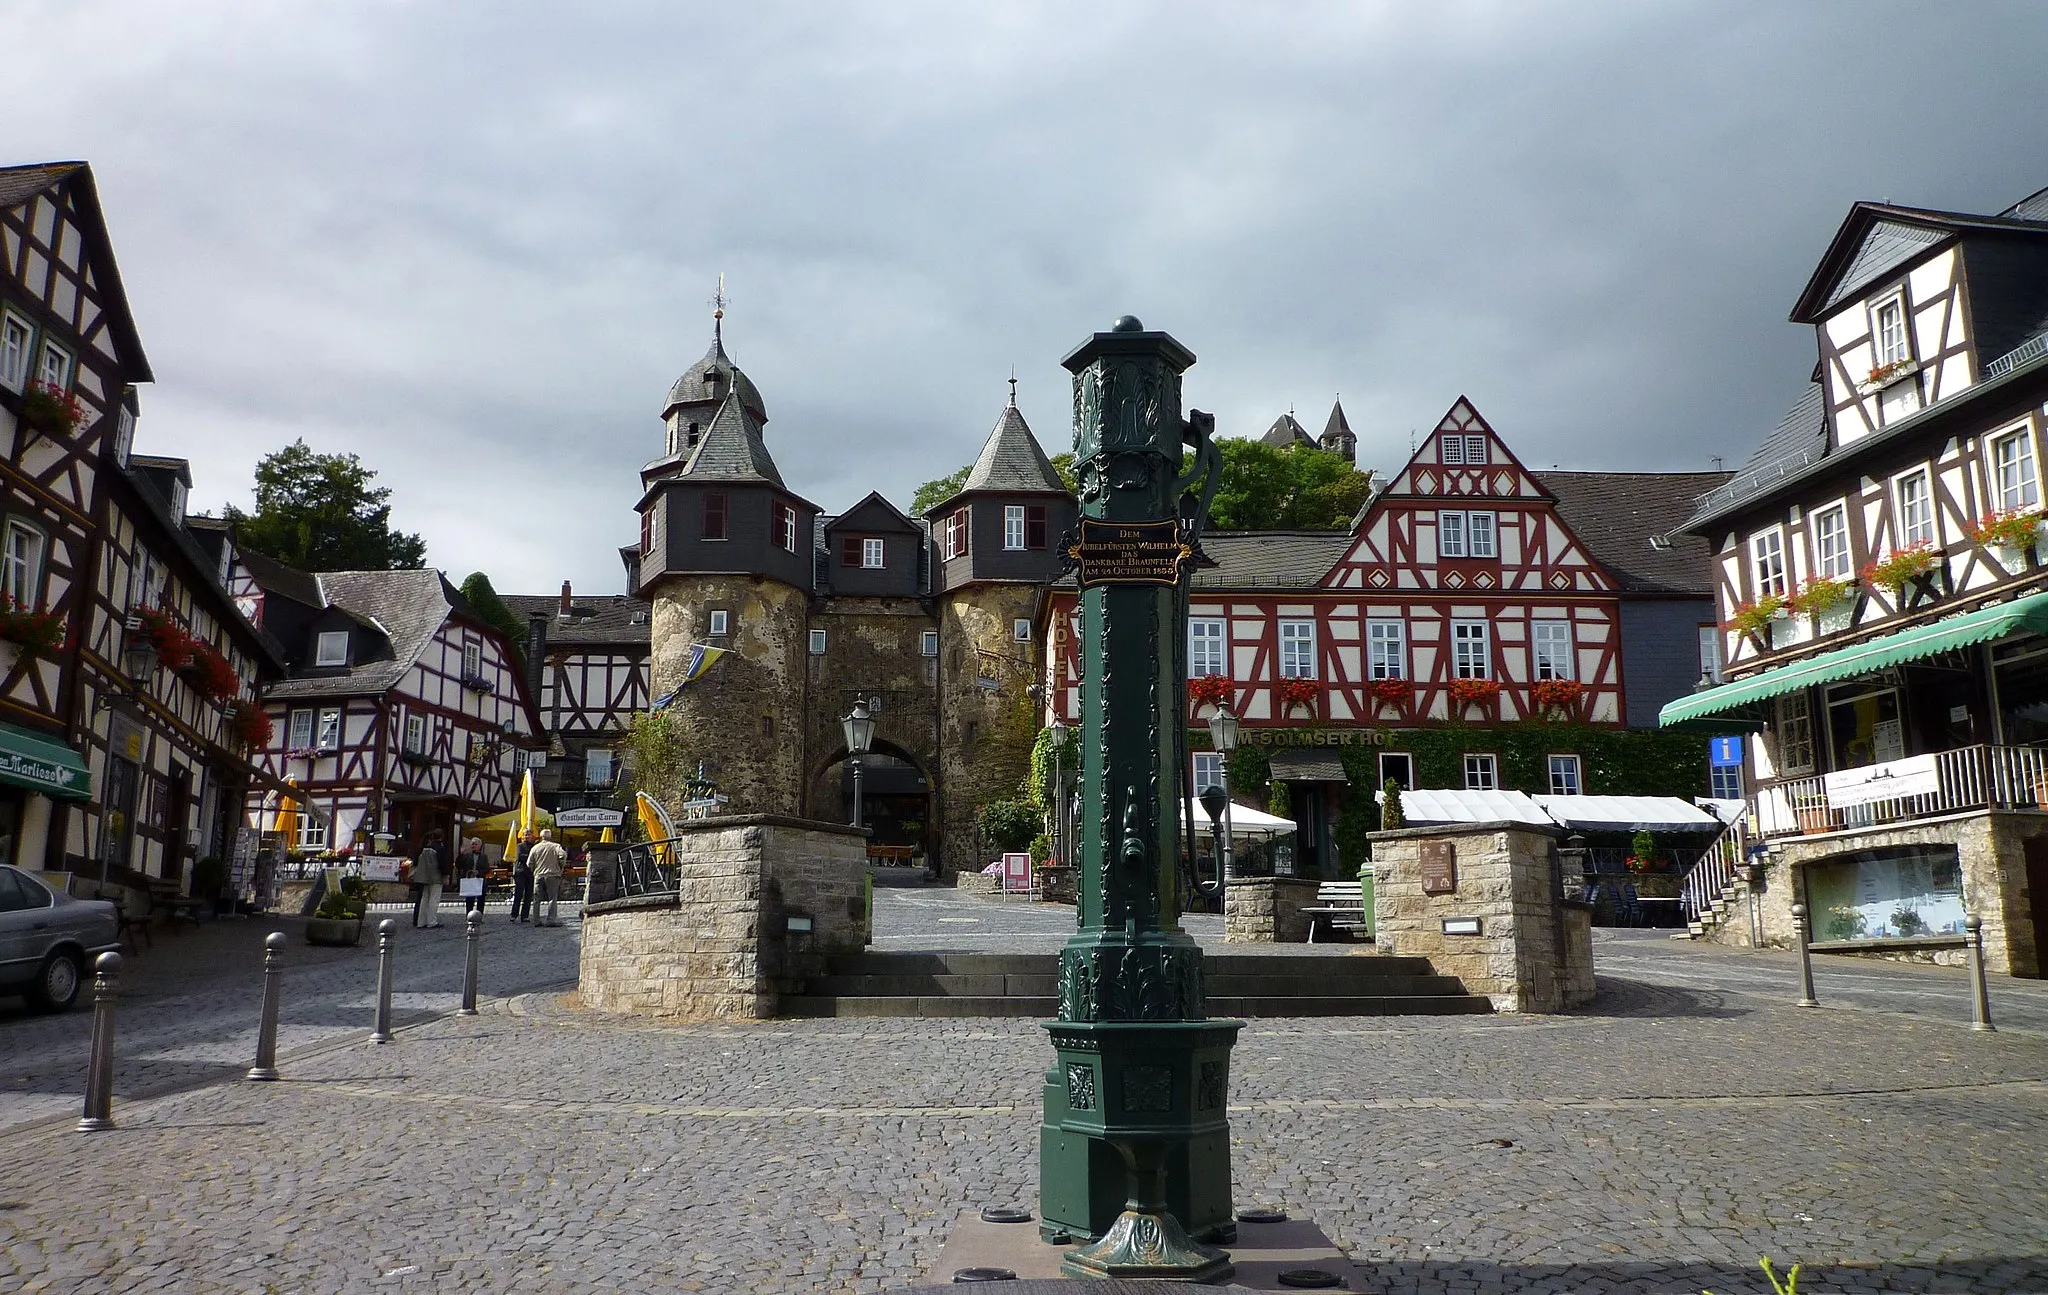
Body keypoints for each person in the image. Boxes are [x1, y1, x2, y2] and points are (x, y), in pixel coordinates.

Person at [528, 829, 569, 928]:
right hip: (553, 875)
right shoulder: (556, 846)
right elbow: (562, 855)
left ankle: (536, 920)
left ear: (541, 837)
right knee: (552, 898)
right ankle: (550, 920)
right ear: (550, 837)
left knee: (537, 898)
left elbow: (529, 863)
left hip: (539, 875)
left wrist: (534, 870)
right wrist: (561, 866)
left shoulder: (535, 848)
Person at [414, 829, 446, 929]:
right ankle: (432, 921)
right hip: (436, 876)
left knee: (424, 898)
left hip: (425, 876)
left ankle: (421, 921)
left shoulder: (425, 848)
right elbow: (442, 863)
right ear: (441, 837)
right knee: (434, 899)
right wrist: (445, 875)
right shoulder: (439, 849)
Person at [456, 836, 490, 916]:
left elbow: (486, 869)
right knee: (469, 900)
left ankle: (479, 916)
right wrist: (461, 855)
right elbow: (458, 865)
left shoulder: (484, 857)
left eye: (475, 844)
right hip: (469, 881)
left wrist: (478, 872)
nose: (473, 846)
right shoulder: (467, 856)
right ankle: (469, 915)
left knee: (481, 900)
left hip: (480, 880)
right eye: (472, 844)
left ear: (479, 845)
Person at [510, 833, 536, 923]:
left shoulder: (534, 846)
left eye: (528, 835)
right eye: (525, 835)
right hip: (520, 872)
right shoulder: (519, 846)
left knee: (528, 895)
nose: (526, 837)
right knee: (518, 894)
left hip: (530, 873)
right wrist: (530, 857)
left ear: (531, 837)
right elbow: (520, 856)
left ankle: (525, 916)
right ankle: (514, 914)